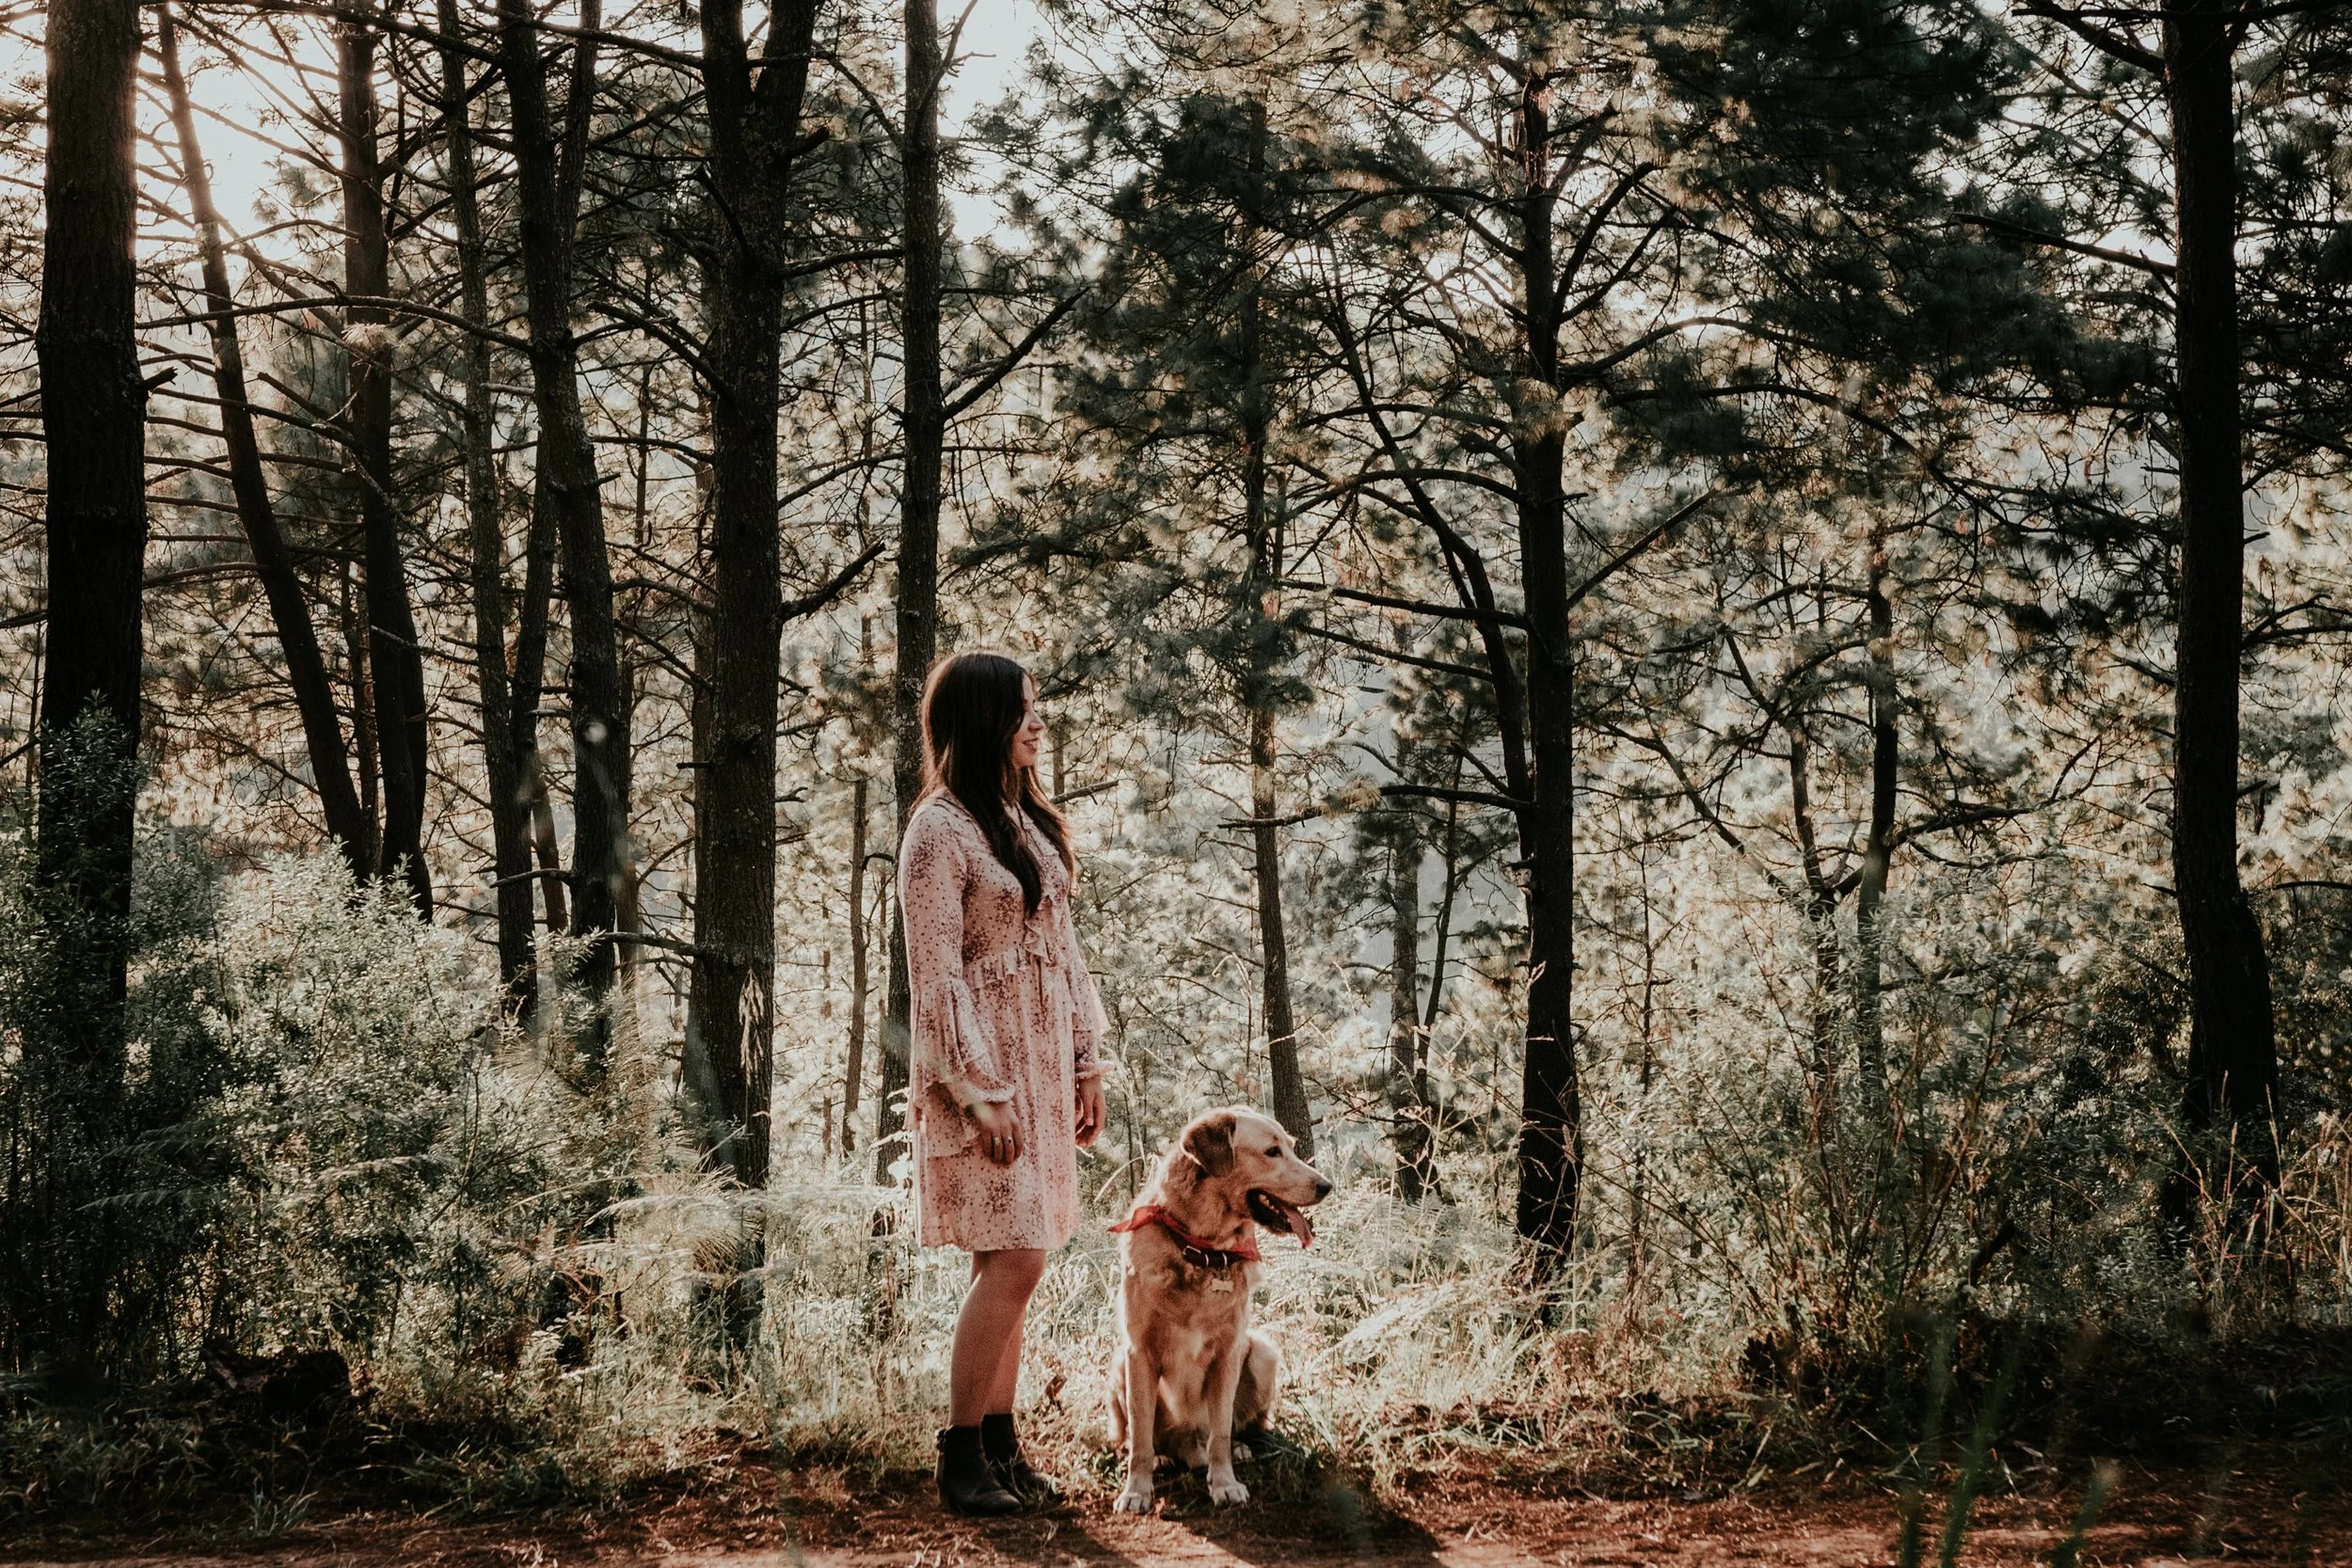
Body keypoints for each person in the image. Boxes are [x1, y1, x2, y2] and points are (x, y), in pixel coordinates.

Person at [897, 651, 1109, 1515]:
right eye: (1022, 708)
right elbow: (936, 977)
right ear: (981, 719)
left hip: (1044, 1068)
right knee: (1015, 1254)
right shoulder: (937, 832)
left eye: (1038, 706)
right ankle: (957, 1455)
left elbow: (1064, 952)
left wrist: (1088, 1059)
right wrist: (980, 1092)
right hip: (985, 1076)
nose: (1037, 720)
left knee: (1020, 1256)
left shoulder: (1022, 822)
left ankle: (1000, 1447)